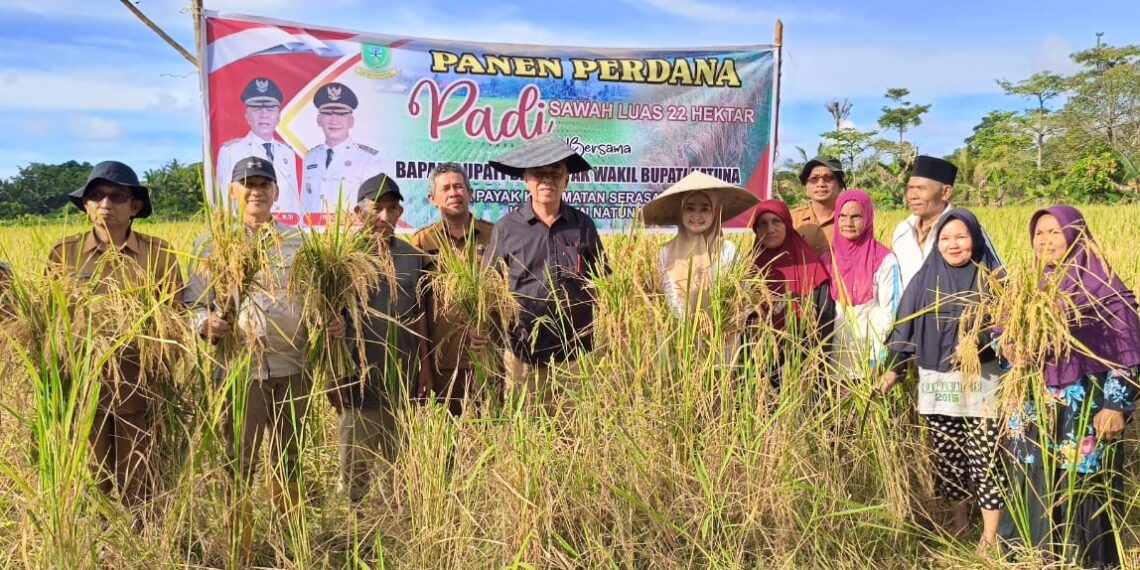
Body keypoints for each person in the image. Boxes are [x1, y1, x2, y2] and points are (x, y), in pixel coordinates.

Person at [184, 156, 335, 556]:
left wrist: (325, 321)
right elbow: (193, 304)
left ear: (276, 192)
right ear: (233, 192)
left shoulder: (298, 241)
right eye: (247, 184)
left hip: (292, 368)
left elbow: (314, 298)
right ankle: (242, 550)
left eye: (263, 183)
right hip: (238, 372)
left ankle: (293, 546)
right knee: (240, 464)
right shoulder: (210, 243)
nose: (256, 191)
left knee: (291, 459)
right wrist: (205, 324)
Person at [1000, 205, 1140, 568]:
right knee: (1033, 475)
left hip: (1085, 404)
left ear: (1075, 233)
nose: (1044, 240)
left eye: (1054, 232)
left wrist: (1116, 405)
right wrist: (1010, 348)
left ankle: (1085, 558)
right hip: (1033, 403)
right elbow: (1001, 336)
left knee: (1082, 478)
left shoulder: (1103, 286)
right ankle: (1035, 556)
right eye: (1039, 233)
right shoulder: (1026, 285)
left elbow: (1129, 353)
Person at [48, 160, 183, 517]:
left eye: (117, 196)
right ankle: (98, 541)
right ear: (86, 205)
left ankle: (140, 541)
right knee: (91, 470)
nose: (106, 204)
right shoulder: (64, 254)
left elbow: (176, 316)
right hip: (83, 382)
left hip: (141, 381)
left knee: (138, 471)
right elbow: (49, 319)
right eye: (96, 196)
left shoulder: (159, 253)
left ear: (135, 206)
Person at [879, 208, 1006, 551]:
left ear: (976, 239)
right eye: (946, 238)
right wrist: (893, 368)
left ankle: (989, 536)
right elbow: (904, 326)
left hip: (982, 384)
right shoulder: (924, 279)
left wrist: (979, 342)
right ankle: (959, 521)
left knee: (985, 460)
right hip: (937, 384)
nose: (953, 245)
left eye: (961, 237)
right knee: (949, 458)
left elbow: (1008, 329)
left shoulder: (994, 278)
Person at [329, 173, 432, 504]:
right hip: (356, 375)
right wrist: (334, 374)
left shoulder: (412, 257)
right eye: (377, 209)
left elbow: (420, 317)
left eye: (392, 209)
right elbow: (324, 319)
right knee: (354, 458)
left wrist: (424, 370)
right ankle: (351, 523)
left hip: (400, 373)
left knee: (397, 460)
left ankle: (395, 520)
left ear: (400, 213)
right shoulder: (340, 258)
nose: (385, 218)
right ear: (358, 214)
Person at [483, 134, 606, 408]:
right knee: (525, 431)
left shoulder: (583, 225)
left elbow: (603, 281)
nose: (547, 180)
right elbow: (489, 285)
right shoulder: (506, 228)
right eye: (539, 173)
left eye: (555, 172)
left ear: (567, 180)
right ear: (526, 179)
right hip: (523, 351)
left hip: (574, 353)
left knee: (572, 431)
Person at [410, 163, 494, 416]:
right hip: (442, 363)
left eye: (459, 186)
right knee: (448, 441)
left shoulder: (495, 235)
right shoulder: (422, 242)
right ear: (432, 199)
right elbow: (417, 309)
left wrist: (489, 329)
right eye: (445, 188)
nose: (453, 193)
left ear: (470, 192)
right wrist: (424, 365)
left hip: (490, 358)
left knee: (492, 433)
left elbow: (509, 294)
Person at [641, 171, 758, 317]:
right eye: (690, 208)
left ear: (714, 213)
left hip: (721, 337)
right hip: (674, 336)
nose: (696, 215)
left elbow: (742, 300)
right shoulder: (665, 253)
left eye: (705, 209)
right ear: (681, 211)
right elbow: (656, 300)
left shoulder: (729, 251)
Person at [748, 199, 834, 389]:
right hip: (759, 363)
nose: (770, 229)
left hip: (802, 364)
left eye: (776, 221)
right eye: (763, 223)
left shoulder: (810, 265)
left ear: (787, 224)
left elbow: (824, 319)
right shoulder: (748, 269)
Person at [821, 190, 901, 378]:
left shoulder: (884, 260)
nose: (848, 223)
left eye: (856, 216)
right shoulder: (827, 259)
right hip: (831, 363)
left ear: (868, 218)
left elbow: (891, 312)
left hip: (868, 363)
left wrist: (877, 359)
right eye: (842, 216)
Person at [890, 155, 999, 288]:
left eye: (921, 188)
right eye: (910, 188)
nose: (912, 196)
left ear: (946, 192)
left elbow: (998, 277)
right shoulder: (902, 231)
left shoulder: (969, 230)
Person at [215, 76, 303, 224]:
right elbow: (225, 197)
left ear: (278, 116)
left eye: (270, 109)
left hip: (285, 231)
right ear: (247, 116)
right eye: (257, 109)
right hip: (245, 231)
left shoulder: (287, 152)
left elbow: (294, 200)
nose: (264, 115)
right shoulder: (231, 151)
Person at [301, 82, 385, 223]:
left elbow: (374, 206)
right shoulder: (311, 157)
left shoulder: (368, 159)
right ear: (319, 120)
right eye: (328, 113)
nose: (334, 120)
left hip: (349, 238)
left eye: (341, 114)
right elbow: (304, 203)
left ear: (351, 121)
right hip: (312, 235)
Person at [791, 155, 845, 256]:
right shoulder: (791, 220)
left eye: (828, 178)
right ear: (806, 188)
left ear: (841, 185)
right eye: (814, 179)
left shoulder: (850, 220)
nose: (820, 184)